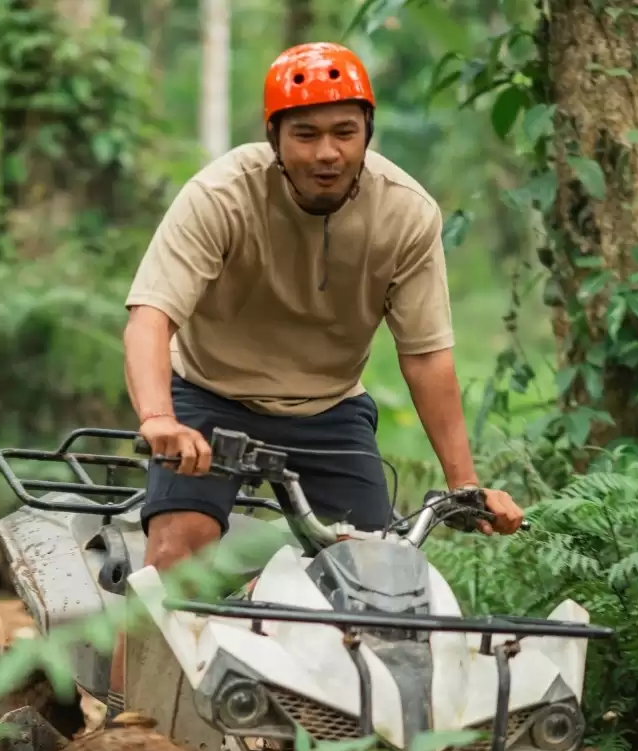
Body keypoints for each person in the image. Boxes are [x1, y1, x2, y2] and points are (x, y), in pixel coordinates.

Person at [111, 42, 525, 699]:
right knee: (176, 558)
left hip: (330, 409)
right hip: (210, 396)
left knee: (380, 583)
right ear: (274, 137)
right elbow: (151, 317)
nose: (326, 153)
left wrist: (464, 485)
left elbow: (425, 354)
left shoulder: (406, 213)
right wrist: (159, 418)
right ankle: (128, 728)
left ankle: (351, 744)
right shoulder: (221, 195)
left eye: (344, 132)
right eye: (304, 134)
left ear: (367, 133)